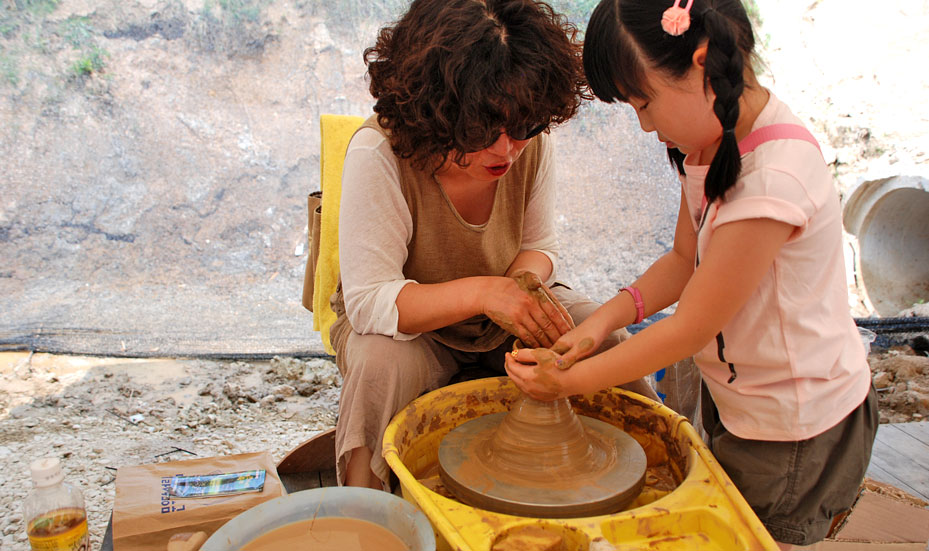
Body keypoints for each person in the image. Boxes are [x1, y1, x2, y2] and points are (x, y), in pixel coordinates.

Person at [505, 0, 877, 548]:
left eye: (644, 102)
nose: (645, 125)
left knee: (755, 539)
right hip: (743, 401)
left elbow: (690, 329)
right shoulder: (711, 141)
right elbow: (683, 261)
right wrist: (597, 325)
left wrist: (565, 383)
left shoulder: (773, 181)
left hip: (797, 428)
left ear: (701, 63)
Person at [331, 0, 658, 491]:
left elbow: (540, 246)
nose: (506, 149)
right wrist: (487, 294)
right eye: (480, 130)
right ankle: (362, 509)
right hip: (413, 330)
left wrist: (518, 291)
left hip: (497, 319)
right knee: (381, 366)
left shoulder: (531, 143)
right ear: (437, 112)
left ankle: (655, 471)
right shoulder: (381, 152)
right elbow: (369, 300)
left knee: (598, 335)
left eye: (523, 126)